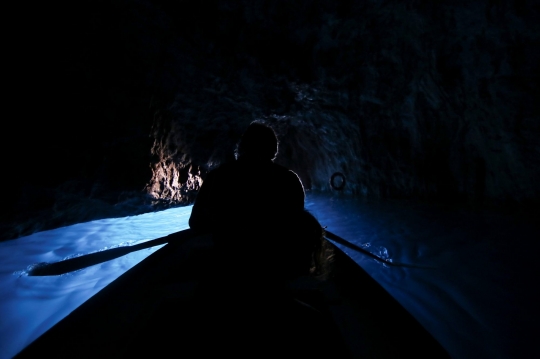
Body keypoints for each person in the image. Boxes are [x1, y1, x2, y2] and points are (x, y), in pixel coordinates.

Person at [189, 122, 305, 249]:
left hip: (227, 252)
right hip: (275, 253)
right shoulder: (289, 179)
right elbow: (297, 223)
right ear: (274, 150)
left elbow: (196, 222)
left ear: (242, 148)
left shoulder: (217, 177)